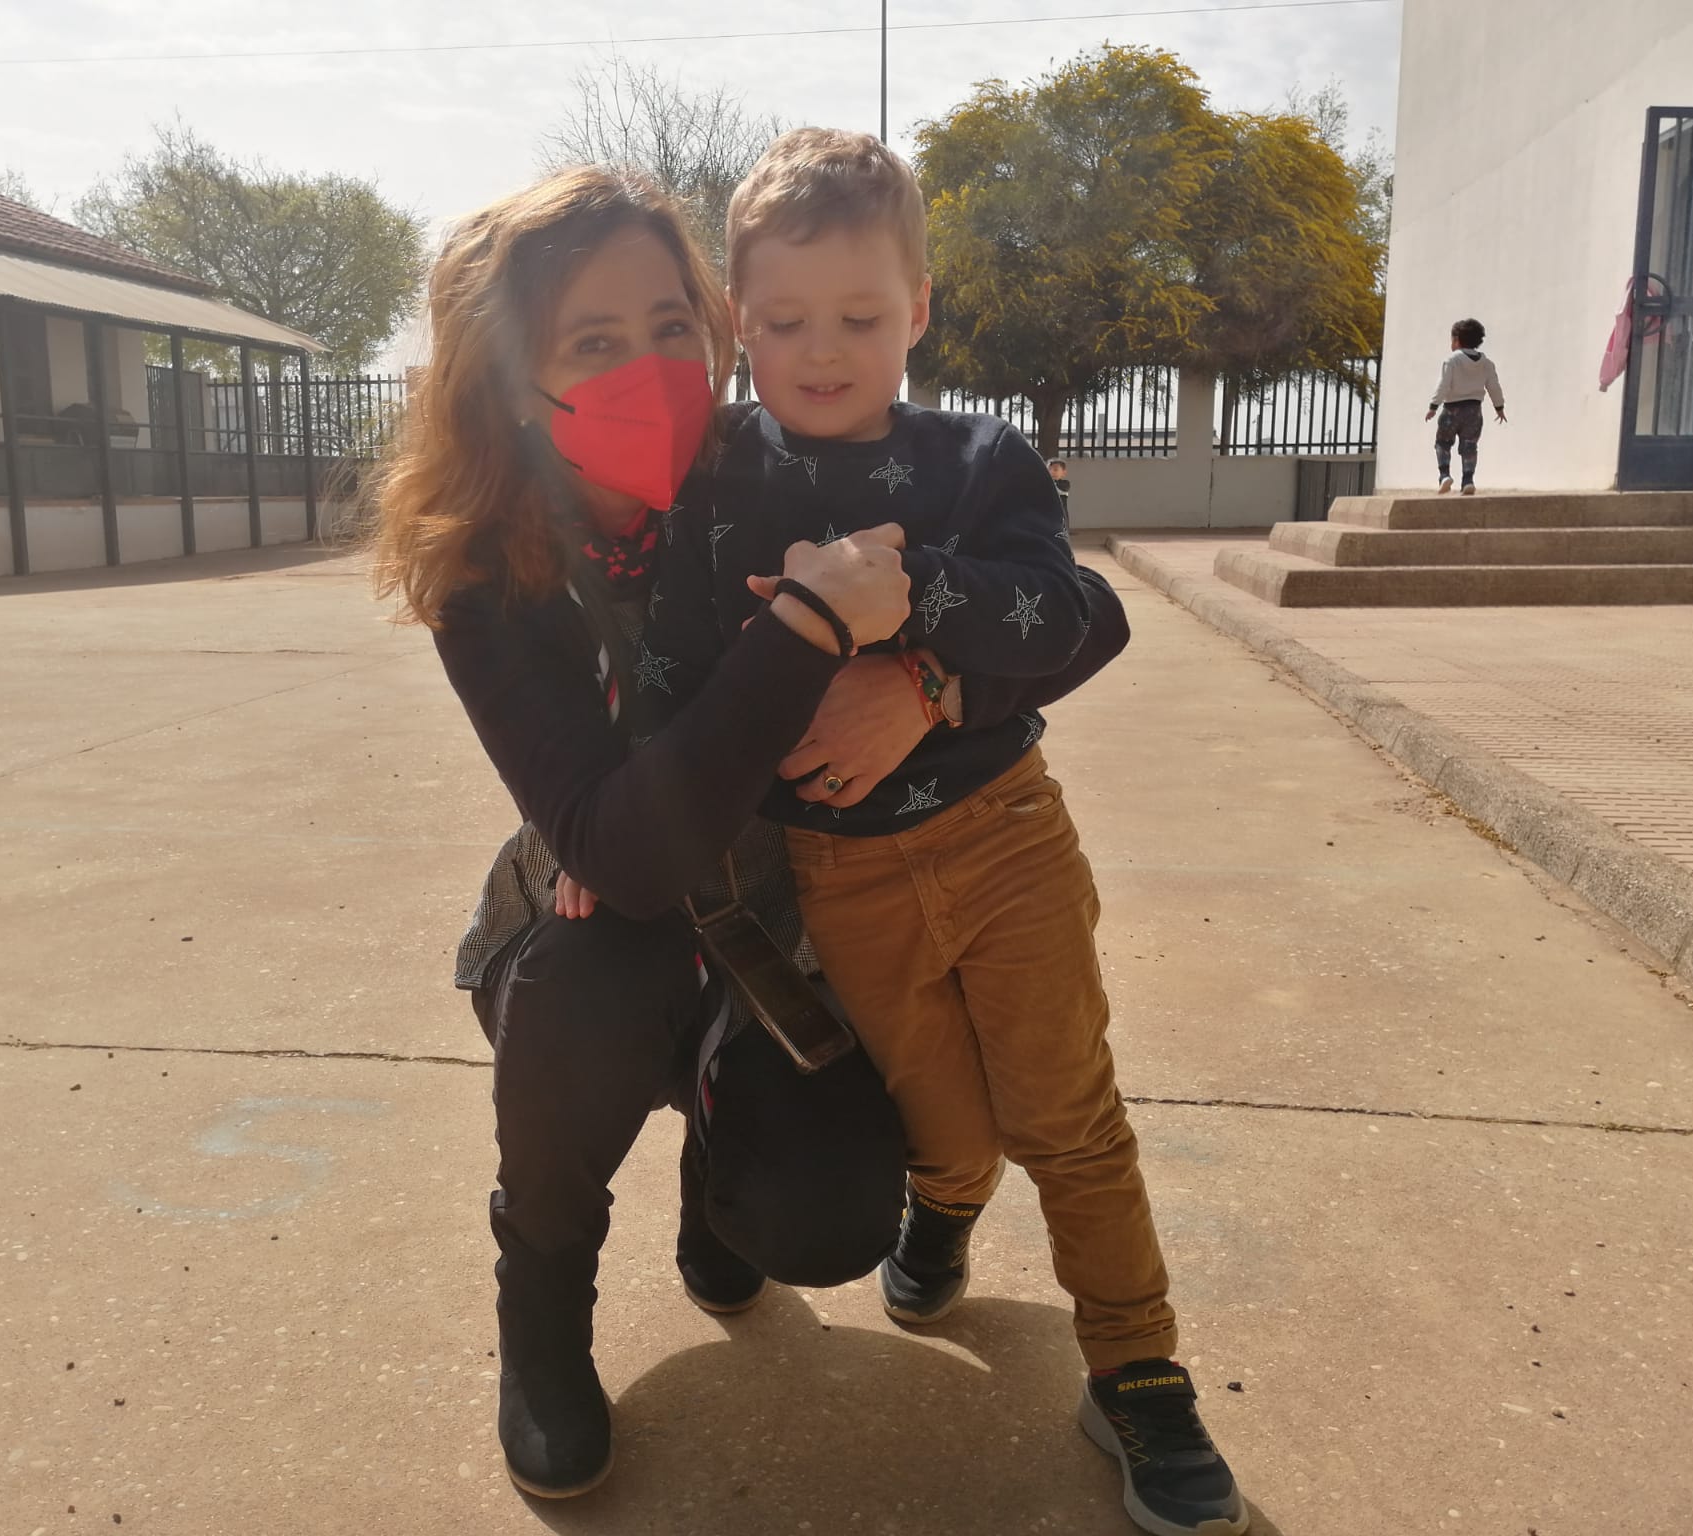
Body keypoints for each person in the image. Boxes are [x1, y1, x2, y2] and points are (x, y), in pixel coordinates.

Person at [369, 166, 1127, 1503]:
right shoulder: (484, 574)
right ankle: (540, 1304)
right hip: (607, 923)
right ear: (505, 377)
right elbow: (624, 850)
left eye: (673, 325)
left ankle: (718, 1175)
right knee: (588, 980)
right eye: (594, 344)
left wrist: (929, 684)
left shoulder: (758, 460)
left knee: (832, 1216)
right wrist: (808, 633)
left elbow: (1086, 616)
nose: (653, 368)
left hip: (785, 922)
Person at [638, 130, 1246, 1536]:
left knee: (1067, 1113)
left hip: (1002, 834)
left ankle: (1140, 1369)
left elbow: (1069, 612)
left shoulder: (975, 458)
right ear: (739, 322)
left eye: (862, 316)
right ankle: (946, 1213)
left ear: (919, 308)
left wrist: (911, 634)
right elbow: (676, 661)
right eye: (784, 321)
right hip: (835, 875)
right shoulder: (718, 476)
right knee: (941, 1122)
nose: (824, 350)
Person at [1425, 317, 1506, 495]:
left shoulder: (1452, 360)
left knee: (1443, 442)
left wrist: (1433, 406)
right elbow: (1494, 386)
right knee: (1469, 446)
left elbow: (1443, 384)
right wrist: (1499, 407)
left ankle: (1444, 475)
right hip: (1474, 411)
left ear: (1456, 340)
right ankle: (1468, 480)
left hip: (1451, 409)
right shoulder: (1487, 364)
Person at [1047, 456, 1072, 523]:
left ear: (1064, 473)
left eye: (1055, 470)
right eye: (1049, 469)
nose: (1052, 472)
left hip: (1061, 517)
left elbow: (1061, 489)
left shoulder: (1065, 484)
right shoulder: (1045, 483)